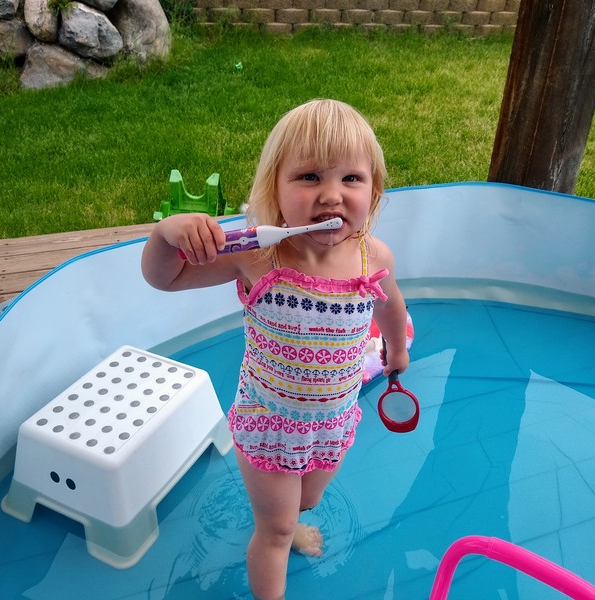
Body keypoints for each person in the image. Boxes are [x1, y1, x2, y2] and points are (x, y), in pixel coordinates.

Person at [141, 99, 410, 600]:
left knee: (308, 499)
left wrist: (396, 352)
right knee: (278, 527)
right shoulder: (257, 255)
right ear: (275, 189)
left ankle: (290, 524)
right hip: (270, 422)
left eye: (351, 178)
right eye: (309, 177)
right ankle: (276, 540)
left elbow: (391, 307)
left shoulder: (375, 257)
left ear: (373, 190)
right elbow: (165, 279)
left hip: (334, 419)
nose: (332, 195)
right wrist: (165, 237)